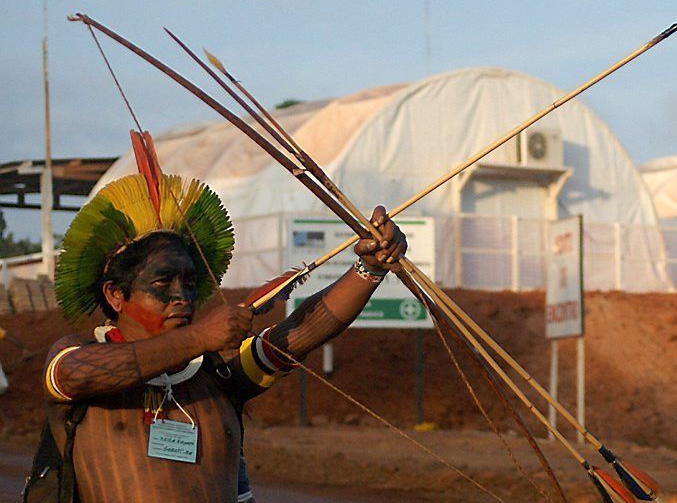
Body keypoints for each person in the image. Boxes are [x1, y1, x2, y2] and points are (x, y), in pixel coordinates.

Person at [28, 139, 406, 503]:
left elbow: (303, 332)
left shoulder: (216, 375)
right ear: (115, 294)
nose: (182, 296)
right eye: (163, 282)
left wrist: (369, 267)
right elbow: (73, 375)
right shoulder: (79, 356)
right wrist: (199, 338)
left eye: (190, 283)